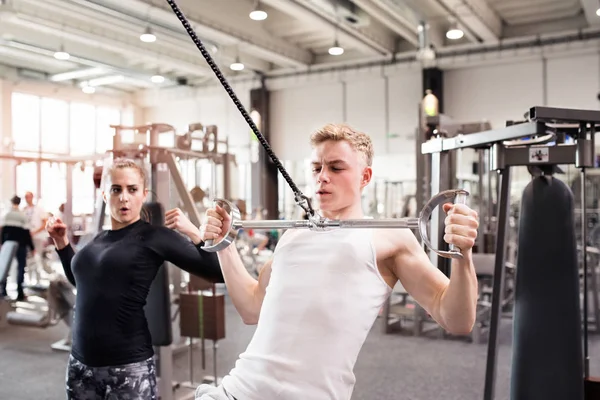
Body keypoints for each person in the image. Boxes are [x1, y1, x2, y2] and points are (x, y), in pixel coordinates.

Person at [196, 123, 480, 400]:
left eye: (336, 167)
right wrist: (224, 244)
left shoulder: (389, 237)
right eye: (316, 168)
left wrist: (463, 254)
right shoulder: (294, 234)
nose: (322, 176)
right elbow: (251, 308)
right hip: (236, 391)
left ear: (365, 176)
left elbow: (456, 319)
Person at [46, 158, 224, 400]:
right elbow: (82, 283)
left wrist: (193, 231)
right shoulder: (98, 239)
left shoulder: (154, 237)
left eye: (132, 189)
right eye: (116, 189)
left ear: (144, 194)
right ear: (105, 195)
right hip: (80, 365)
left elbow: (216, 273)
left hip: (128, 368)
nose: (124, 197)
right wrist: (62, 244)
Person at [1, 195, 35, 300]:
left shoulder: (6, 214)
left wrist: (2, 243)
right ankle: (20, 293)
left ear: (12, 202)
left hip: (8, 244)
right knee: (21, 268)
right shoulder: (22, 215)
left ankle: (3, 291)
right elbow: (27, 233)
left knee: (5, 267)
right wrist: (32, 247)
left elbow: (2, 231)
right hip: (21, 245)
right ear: (20, 202)